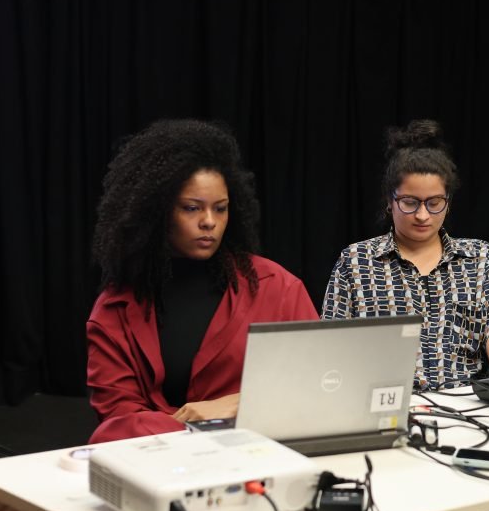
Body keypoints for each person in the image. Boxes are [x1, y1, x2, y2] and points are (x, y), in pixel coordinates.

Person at [321, 118, 489, 511]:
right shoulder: (357, 261)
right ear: (389, 200)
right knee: (399, 478)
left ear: (448, 201)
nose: (423, 216)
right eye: (409, 203)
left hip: (463, 407)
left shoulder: (477, 256)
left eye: (435, 204)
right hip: (381, 414)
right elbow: (330, 349)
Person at [86, 118, 319, 444]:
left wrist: (236, 406)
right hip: (159, 464)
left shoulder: (276, 287)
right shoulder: (115, 308)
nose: (209, 222)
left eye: (220, 209)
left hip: (261, 458)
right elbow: (118, 421)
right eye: (191, 208)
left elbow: (316, 386)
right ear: (156, 212)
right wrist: (196, 428)